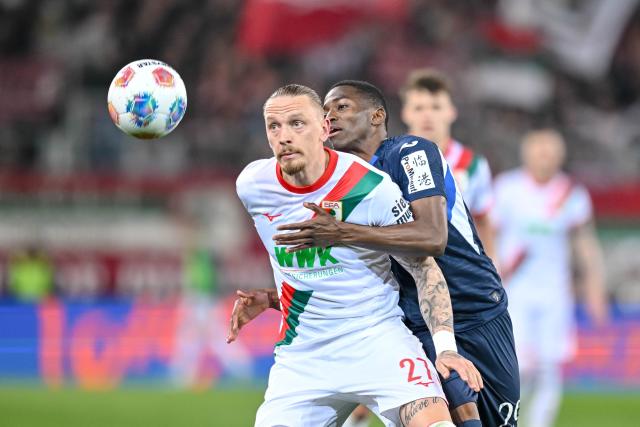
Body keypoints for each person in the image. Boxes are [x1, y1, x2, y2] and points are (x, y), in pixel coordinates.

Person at [231, 81, 520, 427]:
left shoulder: (405, 157)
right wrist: (273, 297)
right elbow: (339, 273)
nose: (331, 116)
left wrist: (342, 233)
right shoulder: (255, 186)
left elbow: (432, 238)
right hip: (402, 316)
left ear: (377, 116)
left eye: (341, 108)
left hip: (471, 309)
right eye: (274, 126)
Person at [492, 129, 608, 427]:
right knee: (518, 365)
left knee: (549, 366)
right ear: (526, 153)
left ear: (561, 155)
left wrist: (595, 288)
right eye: (539, 150)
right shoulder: (507, 188)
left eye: (551, 151)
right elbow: (488, 235)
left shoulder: (572, 194)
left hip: (555, 291)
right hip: (514, 290)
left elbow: (585, 244)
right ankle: (510, 419)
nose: (545, 156)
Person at [399, 69, 496, 261]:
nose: (427, 115)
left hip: (459, 274)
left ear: (451, 112)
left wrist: (492, 267)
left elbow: (483, 221)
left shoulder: (474, 165)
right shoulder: (388, 162)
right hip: (405, 273)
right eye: (419, 108)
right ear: (406, 113)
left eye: (436, 107)